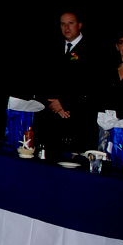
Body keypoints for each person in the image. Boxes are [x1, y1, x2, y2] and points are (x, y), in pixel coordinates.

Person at [38, 10, 96, 153]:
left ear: (79, 25)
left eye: (71, 23)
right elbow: (43, 79)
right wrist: (51, 103)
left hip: (78, 120)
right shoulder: (51, 47)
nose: (66, 27)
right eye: (63, 24)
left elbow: (93, 86)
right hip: (52, 119)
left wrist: (64, 103)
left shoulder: (93, 49)